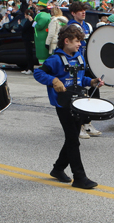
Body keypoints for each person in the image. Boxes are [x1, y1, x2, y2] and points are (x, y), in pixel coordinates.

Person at [33, 25, 104, 189]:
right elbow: (38, 73)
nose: (80, 44)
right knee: (73, 139)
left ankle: (58, 169)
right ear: (67, 41)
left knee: (71, 138)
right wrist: (53, 81)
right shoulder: (55, 60)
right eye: (77, 41)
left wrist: (92, 82)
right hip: (63, 104)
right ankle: (79, 177)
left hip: (78, 103)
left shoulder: (79, 57)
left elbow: (81, 79)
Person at [67, 1, 102, 139]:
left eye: (84, 10)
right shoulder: (71, 27)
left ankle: (87, 122)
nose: (83, 12)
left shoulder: (87, 26)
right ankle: (78, 125)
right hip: (77, 65)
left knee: (94, 92)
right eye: (80, 11)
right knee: (79, 95)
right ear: (73, 13)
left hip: (88, 64)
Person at [34, 0, 52, 64]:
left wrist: (35, 24)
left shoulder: (42, 15)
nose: (37, 6)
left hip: (41, 40)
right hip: (44, 39)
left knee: (42, 57)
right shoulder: (48, 14)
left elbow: (39, 26)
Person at [20, 9, 35, 75]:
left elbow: (24, 29)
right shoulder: (28, 21)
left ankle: (30, 68)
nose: (24, 15)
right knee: (28, 54)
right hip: (27, 39)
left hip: (29, 39)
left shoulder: (31, 21)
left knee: (29, 54)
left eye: (25, 14)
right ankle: (28, 68)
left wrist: (20, 25)